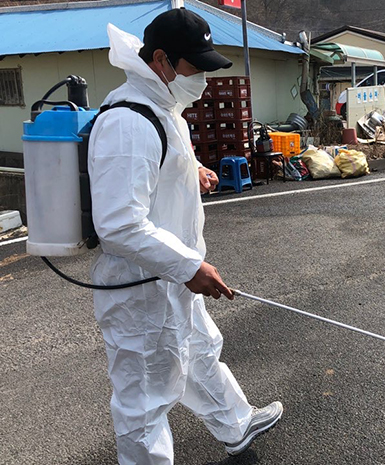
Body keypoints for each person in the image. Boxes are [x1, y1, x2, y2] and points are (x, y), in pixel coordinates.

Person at [88, 8, 282, 464]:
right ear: (162, 60)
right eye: (197, 68)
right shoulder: (128, 121)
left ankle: (235, 425)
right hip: (141, 290)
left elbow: (155, 168)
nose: (205, 80)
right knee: (144, 401)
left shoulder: (163, 106)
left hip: (170, 274)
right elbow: (118, 224)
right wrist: (190, 266)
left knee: (199, 350)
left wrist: (190, 170)